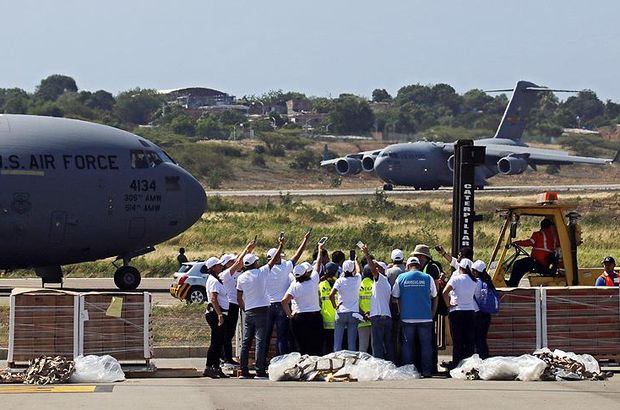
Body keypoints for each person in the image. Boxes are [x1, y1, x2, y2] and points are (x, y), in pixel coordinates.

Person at [236, 239, 282, 379]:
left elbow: (239, 296)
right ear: (254, 264)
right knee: (260, 341)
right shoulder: (261, 272)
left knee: (246, 341)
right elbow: (274, 260)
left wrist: (244, 308)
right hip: (262, 310)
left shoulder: (241, 277)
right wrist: (280, 245)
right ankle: (259, 370)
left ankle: (243, 370)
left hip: (249, 310)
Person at [265, 231, 311, 356]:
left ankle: (262, 365)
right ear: (278, 256)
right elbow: (298, 254)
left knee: (265, 337)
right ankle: (281, 360)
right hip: (282, 305)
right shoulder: (285, 267)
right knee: (282, 337)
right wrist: (305, 240)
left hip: (268, 305)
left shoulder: (264, 270)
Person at [391, 256, 437, 377]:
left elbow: (395, 296)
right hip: (426, 317)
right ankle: (427, 371)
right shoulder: (428, 278)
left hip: (407, 317)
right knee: (426, 345)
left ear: (407, 267)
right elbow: (435, 295)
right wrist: (432, 312)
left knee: (407, 345)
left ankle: (408, 372)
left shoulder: (401, 277)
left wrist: (400, 311)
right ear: (419, 266)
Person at [219, 245, 254, 366]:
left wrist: (249, 251)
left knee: (230, 333)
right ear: (226, 264)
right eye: (231, 261)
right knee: (228, 333)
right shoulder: (225, 274)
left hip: (237, 304)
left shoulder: (236, 273)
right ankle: (226, 358)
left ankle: (225, 357)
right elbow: (239, 262)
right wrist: (247, 249)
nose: (234, 262)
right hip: (231, 305)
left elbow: (241, 262)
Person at [412, 244, 444, 373]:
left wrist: (433, 311)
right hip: (426, 307)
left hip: (430, 308)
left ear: (421, 256)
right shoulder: (427, 267)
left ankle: (431, 366)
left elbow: (435, 291)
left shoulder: (431, 268)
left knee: (429, 339)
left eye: (416, 256)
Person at [443, 258, 478, 368]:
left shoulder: (456, 279)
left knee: (457, 341)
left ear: (460, 268)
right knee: (469, 341)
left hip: (456, 311)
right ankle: (469, 366)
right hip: (470, 312)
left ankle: (457, 365)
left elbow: (445, 292)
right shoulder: (474, 281)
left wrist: (448, 304)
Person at [281, 262, 323, 356]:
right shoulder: (313, 281)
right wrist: (320, 251)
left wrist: (290, 315)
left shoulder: (294, 286)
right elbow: (317, 266)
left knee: (301, 347)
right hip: (314, 317)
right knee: (316, 346)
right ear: (305, 273)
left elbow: (284, 301)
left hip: (299, 318)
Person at [360, 244, 393, 361]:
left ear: (381, 269)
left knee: (377, 345)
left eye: (377, 266)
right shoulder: (384, 284)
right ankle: (390, 364)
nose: (375, 268)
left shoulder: (381, 280)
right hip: (385, 316)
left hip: (378, 318)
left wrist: (366, 254)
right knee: (387, 344)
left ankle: (380, 366)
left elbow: (373, 270)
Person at [507, 218, 559, 287]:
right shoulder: (554, 237)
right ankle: (513, 284)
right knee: (523, 265)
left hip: (538, 262)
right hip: (545, 263)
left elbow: (530, 242)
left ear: (542, 226)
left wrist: (517, 242)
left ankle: (512, 284)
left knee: (518, 264)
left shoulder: (539, 234)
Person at [203, 256, 230, 379]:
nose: (221, 266)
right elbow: (213, 299)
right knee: (216, 342)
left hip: (219, 313)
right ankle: (209, 367)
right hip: (215, 313)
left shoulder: (216, 279)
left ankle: (216, 366)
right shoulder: (213, 281)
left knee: (219, 341)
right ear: (213, 268)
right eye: (218, 265)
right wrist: (219, 314)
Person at [329, 254, 362, 351]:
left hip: (341, 312)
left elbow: (331, 295)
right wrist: (356, 261)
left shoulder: (339, 281)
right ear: (352, 270)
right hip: (353, 313)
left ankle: (337, 362)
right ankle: (351, 363)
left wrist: (335, 306)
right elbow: (359, 270)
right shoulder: (357, 279)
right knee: (351, 343)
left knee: (337, 342)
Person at [472, 260, 495, 359]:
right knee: (482, 339)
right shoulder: (488, 282)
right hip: (487, 314)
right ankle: (485, 360)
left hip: (477, 314)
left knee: (477, 340)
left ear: (476, 272)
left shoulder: (476, 283)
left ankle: (480, 362)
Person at [386, 248, 405, 363]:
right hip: (406, 306)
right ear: (403, 259)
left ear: (392, 259)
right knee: (404, 336)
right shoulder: (407, 270)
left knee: (393, 335)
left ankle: (394, 360)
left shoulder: (389, 272)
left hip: (391, 306)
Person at [319, 262, 339, 354]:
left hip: (325, 320)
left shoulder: (321, 285)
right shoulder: (340, 283)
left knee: (327, 348)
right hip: (338, 320)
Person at [358, 265, 374, 353]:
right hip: (373, 317)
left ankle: (361, 365)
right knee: (374, 346)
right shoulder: (375, 284)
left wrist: (363, 314)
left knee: (363, 347)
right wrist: (370, 313)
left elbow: (356, 302)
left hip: (362, 319)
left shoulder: (358, 285)